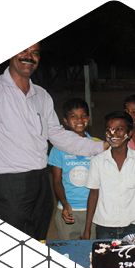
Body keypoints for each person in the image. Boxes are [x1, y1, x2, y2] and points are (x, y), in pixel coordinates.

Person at [0, 42, 108, 240]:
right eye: (24, 50)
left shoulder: (41, 95)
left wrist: (101, 146)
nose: (29, 56)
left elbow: (58, 135)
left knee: (39, 232)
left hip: (40, 180)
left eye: (35, 53)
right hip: (8, 183)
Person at [82, 111, 135, 240]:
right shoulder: (97, 161)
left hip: (132, 225)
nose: (113, 134)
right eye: (109, 129)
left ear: (129, 134)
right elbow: (93, 194)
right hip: (104, 225)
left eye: (119, 129)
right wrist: (87, 229)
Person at [48, 98, 101, 240]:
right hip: (68, 209)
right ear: (65, 121)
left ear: (88, 118)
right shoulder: (59, 148)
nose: (79, 120)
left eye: (83, 115)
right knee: (68, 248)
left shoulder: (96, 145)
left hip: (93, 209)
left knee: (92, 249)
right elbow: (57, 181)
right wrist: (65, 203)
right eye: (73, 116)